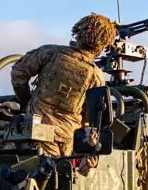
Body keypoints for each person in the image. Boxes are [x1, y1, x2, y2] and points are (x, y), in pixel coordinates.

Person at [10, 13, 117, 156]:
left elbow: (18, 73)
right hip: (68, 139)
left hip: (38, 130)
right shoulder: (96, 76)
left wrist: (25, 100)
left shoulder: (51, 52)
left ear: (79, 32)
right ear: (103, 45)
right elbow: (92, 115)